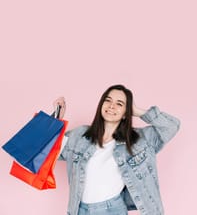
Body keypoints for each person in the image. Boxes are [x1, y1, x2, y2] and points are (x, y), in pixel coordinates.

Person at [53, 84, 180, 215]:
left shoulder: (138, 140)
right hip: (78, 210)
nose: (111, 106)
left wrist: (137, 111)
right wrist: (56, 119)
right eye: (107, 100)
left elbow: (171, 127)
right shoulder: (80, 135)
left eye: (119, 104)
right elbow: (49, 152)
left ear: (126, 113)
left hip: (111, 210)